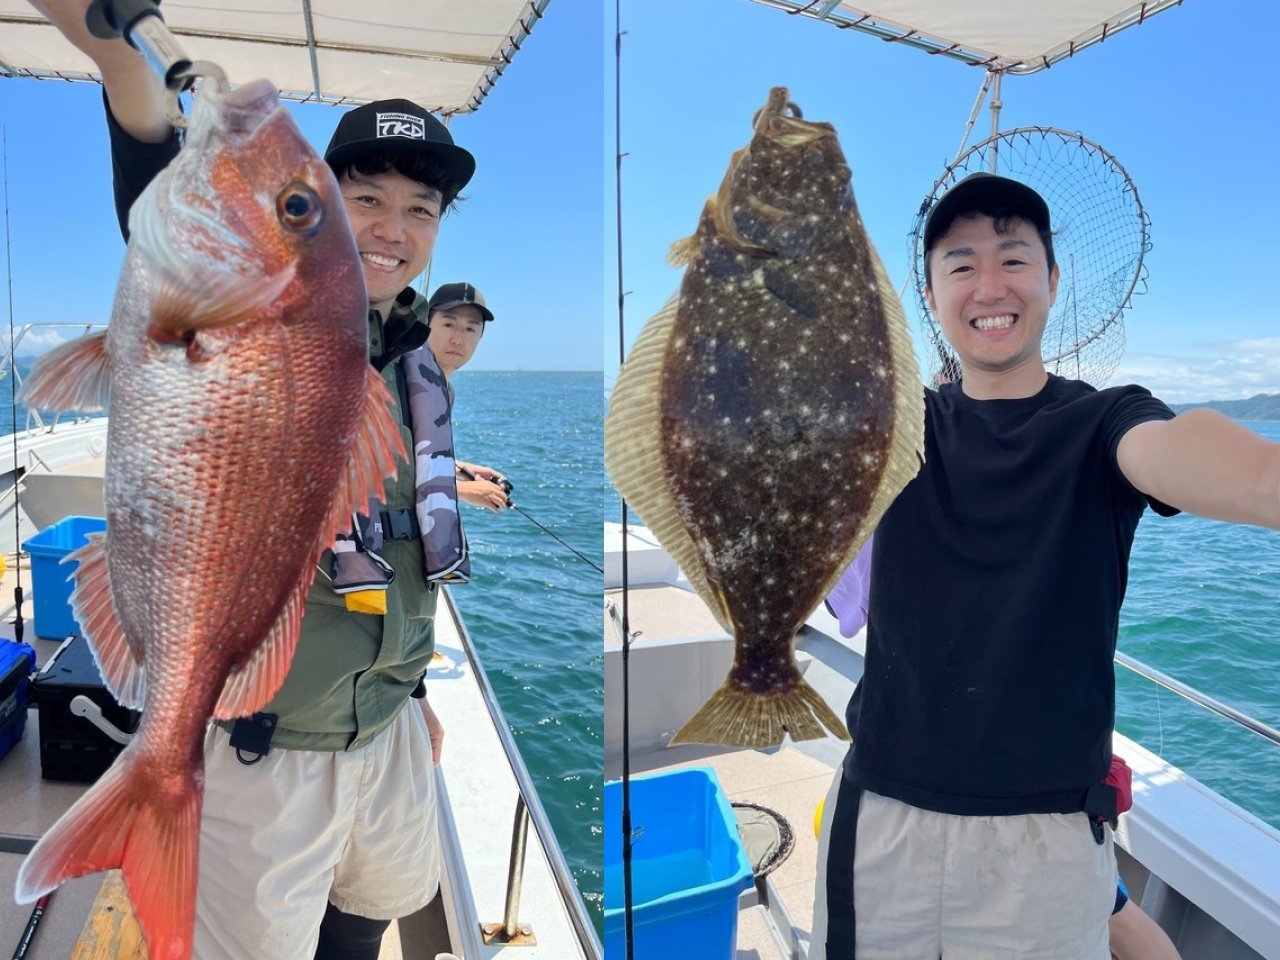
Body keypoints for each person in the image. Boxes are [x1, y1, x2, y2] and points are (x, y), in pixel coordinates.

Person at [29, 3, 473, 957]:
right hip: (265, 748)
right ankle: (163, 780)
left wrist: (415, 695)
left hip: (388, 728)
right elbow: (135, 97)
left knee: (368, 919)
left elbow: (387, 546)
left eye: (421, 208)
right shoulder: (223, 294)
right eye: (356, 200)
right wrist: (118, 39)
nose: (394, 229)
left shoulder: (408, 358)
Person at [811, 171, 1280, 960]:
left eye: (1014, 259)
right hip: (881, 818)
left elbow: (1182, 452)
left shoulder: (1105, 420)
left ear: (1052, 280)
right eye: (960, 265)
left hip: (1047, 844)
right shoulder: (890, 423)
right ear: (931, 297)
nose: (989, 284)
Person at [424, 281, 512, 512]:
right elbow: (378, 467)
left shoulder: (443, 391)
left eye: (470, 329)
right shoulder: (397, 381)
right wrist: (460, 490)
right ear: (425, 325)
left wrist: (460, 469)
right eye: (448, 324)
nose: (458, 339)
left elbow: (410, 455)